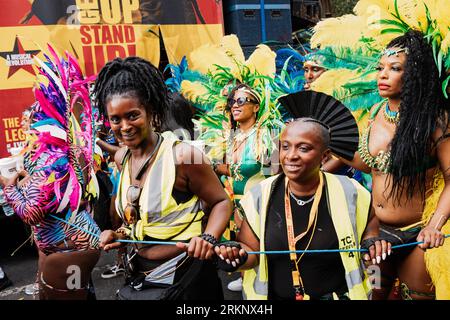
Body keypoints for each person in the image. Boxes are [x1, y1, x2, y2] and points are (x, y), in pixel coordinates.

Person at [93, 56, 232, 300]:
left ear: (152, 112)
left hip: (187, 278)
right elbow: (140, 218)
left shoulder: (183, 157)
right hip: (141, 277)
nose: (124, 126)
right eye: (116, 119)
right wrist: (121, 234)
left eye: (132, 115)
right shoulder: (122, 158)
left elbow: (221, 201)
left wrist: (208, 238)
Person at [338, 30, 450, 300]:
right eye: (380, 68)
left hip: (419, 233)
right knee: (375, 293)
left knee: (415, 296)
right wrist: (331, 146)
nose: (382, 75)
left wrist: (434, 226)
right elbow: (370, 165)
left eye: (395, 68)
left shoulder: (435, 120)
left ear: (414, 74)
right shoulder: (375, 112)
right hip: (377, 236)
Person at [214, 118, 380, 300]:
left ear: (325, 156)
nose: (291, 155)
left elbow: (371, 222)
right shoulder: (260, 195)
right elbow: (251, 251)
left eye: (303, 148)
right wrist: (236, 256)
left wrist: (371, 242)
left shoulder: (350, 191)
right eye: (285, 146)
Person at [0, 48, 101, 300]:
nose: (29, 128)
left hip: (70, 248)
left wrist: (8, 186)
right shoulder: (61, 153)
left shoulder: (51, 162)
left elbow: (31, 213)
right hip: (69, 247)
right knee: (77, 295)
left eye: (32, 122)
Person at [213, 83, 279, 292]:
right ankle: (246, 281)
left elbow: (276, 172)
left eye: (241, 101)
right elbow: (221, 166)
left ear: (256, 106)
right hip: (234, 203)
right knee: (239, 245)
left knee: (262, 246)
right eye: (232, 101)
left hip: (260, 202)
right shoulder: (229, 137)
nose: (235, 105)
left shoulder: (267, 135)